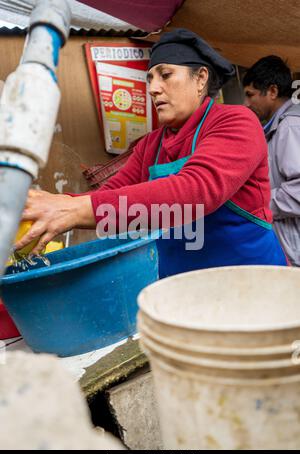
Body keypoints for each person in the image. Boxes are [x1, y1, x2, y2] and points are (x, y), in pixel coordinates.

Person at [16, 29, 287, 278]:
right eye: (150, 78)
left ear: (201, 78)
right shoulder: (152, 145)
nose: (153, 88)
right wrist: (49, 205)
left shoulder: (236, 122)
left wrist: (73, 209)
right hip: (181, 290)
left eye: (165, 75)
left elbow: (196, 190)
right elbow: (105, 199)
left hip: (251, 286)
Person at [243, 56, 300, 266]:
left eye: (251, 95)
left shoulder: (291, 126)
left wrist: (257, 203)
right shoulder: (280, 127)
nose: (246, 104)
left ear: (273, 91)